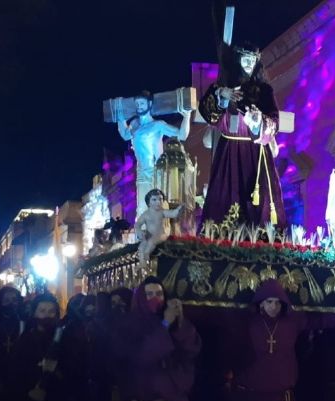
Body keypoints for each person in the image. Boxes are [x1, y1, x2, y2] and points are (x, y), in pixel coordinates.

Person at [111, 277, 201, 401]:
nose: (155, 298)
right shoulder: (128, 325)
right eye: (149, 294)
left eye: (159, 294)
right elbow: (142, 356)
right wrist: (164, 324)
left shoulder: (174, 321)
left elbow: (191, 350)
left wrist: (179, 322)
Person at [198, 42, 285, 227]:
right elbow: (209, 115)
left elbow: (275, 121)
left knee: (257, 205)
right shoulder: (223, 87)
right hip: (229, 153)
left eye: (252, 59)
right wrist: (223, 95)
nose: (249, 62)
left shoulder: (264, 91)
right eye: (245, 58)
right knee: (226, 199)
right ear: (237, 60)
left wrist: (258, 121)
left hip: (256, 154)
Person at [116, 90, 191, 215]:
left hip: (156, 173)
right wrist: (120, 117)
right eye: (137, 103)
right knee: (141, 209)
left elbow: (182, 135)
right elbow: (125, 135)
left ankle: (160, 233)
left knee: (158, 209)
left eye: (142, 103)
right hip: (141, 172)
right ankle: (141, 234)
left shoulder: (157, 125)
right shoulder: (134, 124)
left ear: (149, 104)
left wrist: (187, 116)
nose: (139, 106)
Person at [135, 189, 182, 262]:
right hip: (149, 235)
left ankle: (147, 254)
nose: (158, 202)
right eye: (154, 199)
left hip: (161, 235)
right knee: (142, 245)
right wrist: (139, 231)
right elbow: (138, 224)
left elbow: (172, 214)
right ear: (149, 202)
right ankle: (142, 263)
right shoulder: (146, 214)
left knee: (151, 242)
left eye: (160, 199)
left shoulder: (162, 212)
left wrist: (178, 210)